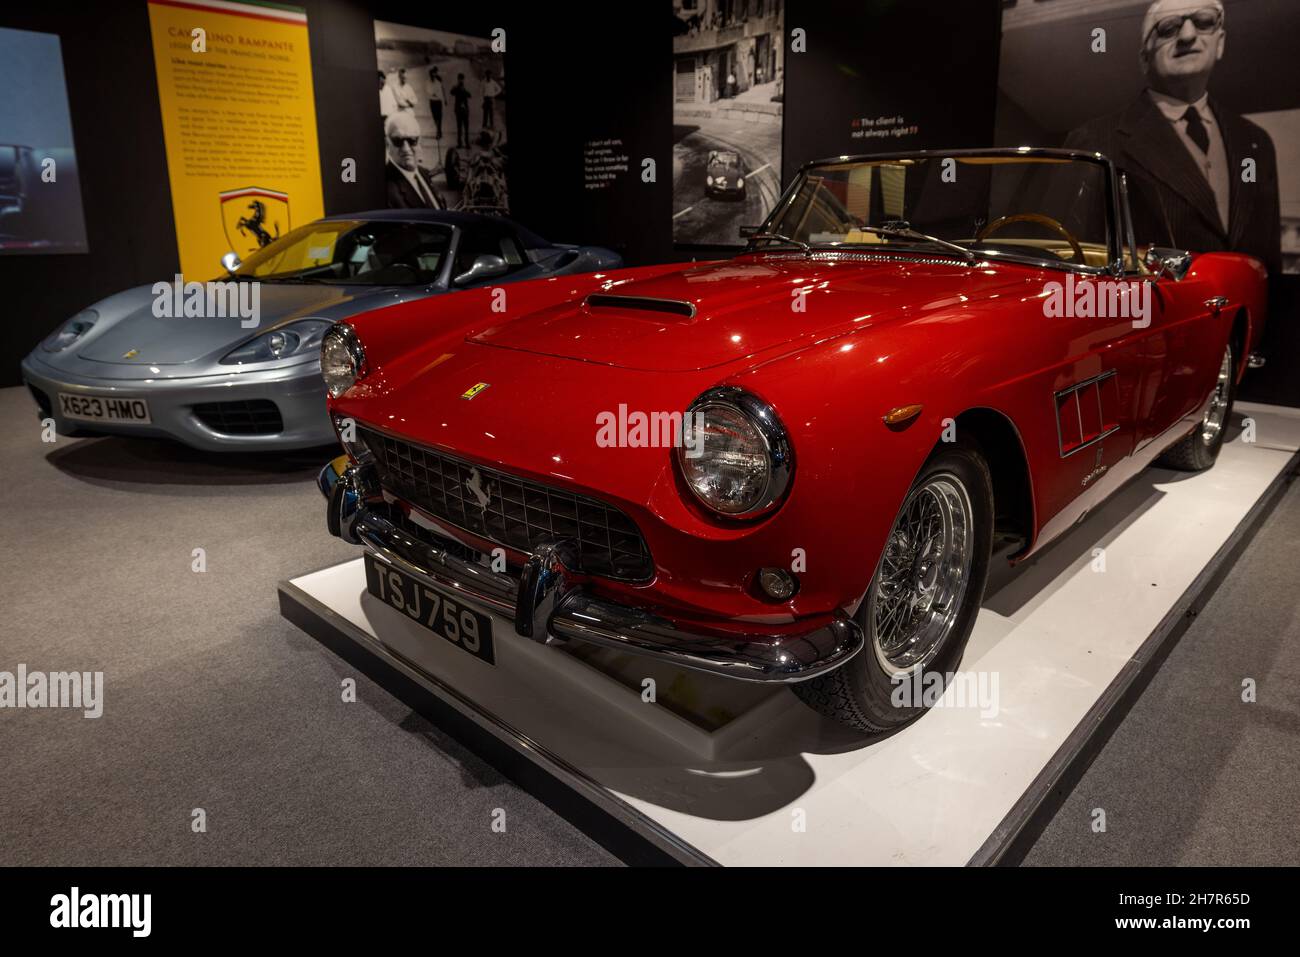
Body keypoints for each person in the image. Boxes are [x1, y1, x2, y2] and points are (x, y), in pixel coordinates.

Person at [1063, 0, 1280, 274]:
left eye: (1203, 21)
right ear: (1144, 57)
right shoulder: (1094, 140)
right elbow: (1070, 261)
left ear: (1220, 42)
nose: (1188, 36)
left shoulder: (1256, 142)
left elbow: (1270, 265)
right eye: (1167, 28)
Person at [383, 112, 442, 209]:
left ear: (419, 141)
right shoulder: (386, 192)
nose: (406, 149)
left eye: (412, 140)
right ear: (387, 144)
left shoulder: (424, 174)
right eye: (398, 141)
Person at [451, 73, 472, 148]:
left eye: (462, 79)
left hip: (465, 110)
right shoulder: (456, 87)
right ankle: (459, 143)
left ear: (464, 79)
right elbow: (452, 92)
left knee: (466, 127)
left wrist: (464, 90)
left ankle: (467, 143)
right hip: (459, 110)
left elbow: (470, 95)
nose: (461, 80)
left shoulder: (465, 87)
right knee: (459, 127)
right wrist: (457, 87)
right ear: (458, 79)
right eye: (460, 79)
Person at [427, 64, 445, 140]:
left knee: (439, 117)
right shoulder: (428, 82)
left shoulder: (439, 81)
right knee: (435, 118)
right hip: (432, 102)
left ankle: (438, 132)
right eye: (432, 73)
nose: (433, 75)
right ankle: (439, 130)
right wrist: (434, 93)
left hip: (438, 101)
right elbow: (428, 91)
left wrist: (445, 99)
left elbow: (441, 90)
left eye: (435, 73)